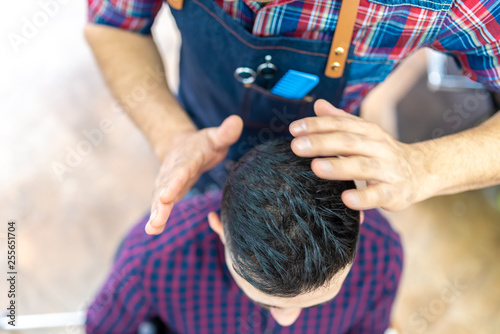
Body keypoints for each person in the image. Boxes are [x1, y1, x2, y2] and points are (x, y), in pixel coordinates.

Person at [85, 0, 500, 236]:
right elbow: (112, 25)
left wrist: (422, 167)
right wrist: (171, 135)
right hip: (196, 130)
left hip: (323, 178)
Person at [85, 140, 403, 333]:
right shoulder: (153, 261)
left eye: (313, 304)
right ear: (220, 230)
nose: (288, 322)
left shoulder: (384, 257)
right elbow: (102, 328)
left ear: (359, 220)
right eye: (265, 303)